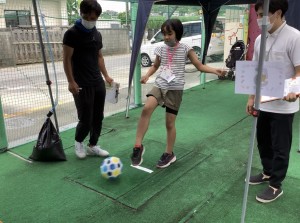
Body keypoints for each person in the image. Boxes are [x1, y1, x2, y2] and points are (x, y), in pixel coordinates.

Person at [130, 19, 225, 168]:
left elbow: (199, 65)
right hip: (160, 84)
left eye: (169, 33)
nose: (166, 37)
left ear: (177, 33)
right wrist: (147, 75)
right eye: (164, 34)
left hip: (175, 88)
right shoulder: (160, 48)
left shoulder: (186, 48)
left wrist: (215, 70)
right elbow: (155, 65)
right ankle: (137, 146)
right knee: (146, 109)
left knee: (169, 123)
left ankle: (169, 153)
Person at [246, 0, 300, 203]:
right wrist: (251, 97)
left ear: (277, 12)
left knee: (280, 146)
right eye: (258, 15)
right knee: (263, 141)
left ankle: (276, 185)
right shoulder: (260, 39)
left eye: (262, 14)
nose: (259, 19)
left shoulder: (294, 37)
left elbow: (299, 70)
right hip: (263, 101)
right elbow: (254, 70)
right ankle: (267, 172)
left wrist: (294, 90)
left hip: (284, 105)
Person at [63, 0, 113, 159]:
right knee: (86, 117)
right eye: (88, 17)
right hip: (81, 82)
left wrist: (106, 76)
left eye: (94, 18)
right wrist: (71, 81)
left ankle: (93, 145)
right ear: (81, 14)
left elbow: (99, 57)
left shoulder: (96, 34)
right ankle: (79, 143)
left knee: (98, 116)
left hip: (97, 81)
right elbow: (66, 59)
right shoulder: (71, 34)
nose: (91, 20)